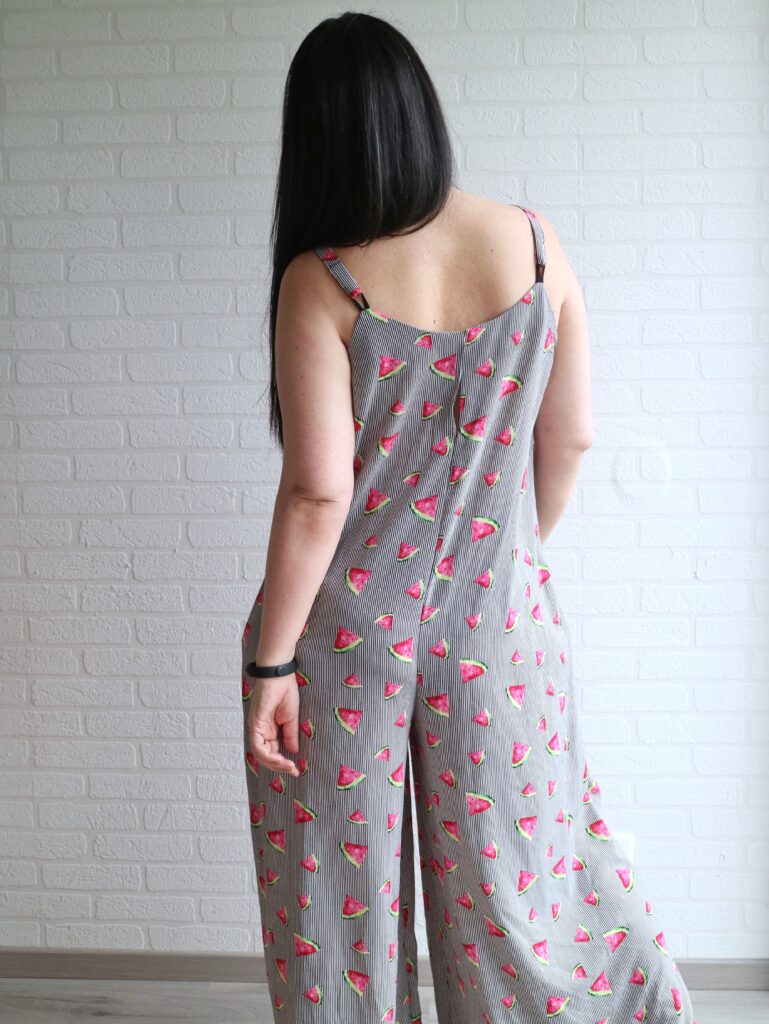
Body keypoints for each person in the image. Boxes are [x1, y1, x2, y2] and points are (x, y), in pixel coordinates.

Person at [240, 11, 698, 1024]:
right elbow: (569, 439)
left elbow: (318, 490)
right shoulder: (532, 244)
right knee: (521, 889)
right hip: (500, 622)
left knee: (335, 899)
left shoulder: (323, 278)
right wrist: (500, 556)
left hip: (348, 631)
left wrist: (271, 665)